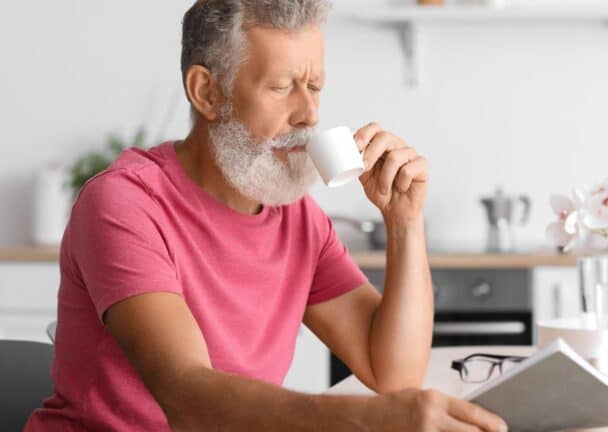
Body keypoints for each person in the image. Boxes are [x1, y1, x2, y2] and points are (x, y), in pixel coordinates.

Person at [25, 1, 508, 430]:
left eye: (315, 86)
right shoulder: (124, 204)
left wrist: (405, 222)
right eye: (282, 87)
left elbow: (393, 374)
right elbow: (187, 397)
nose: (309, 114)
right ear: (207, 93)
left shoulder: (299, 219)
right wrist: (363, 419)